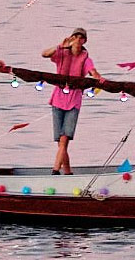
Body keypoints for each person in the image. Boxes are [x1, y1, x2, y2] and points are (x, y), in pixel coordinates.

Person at [42, 28, 102, 175]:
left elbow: (93, 72)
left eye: (81, 38)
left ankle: (55, 171)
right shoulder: (62, 53)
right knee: (61, 143)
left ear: (84, 41)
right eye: (75, 37)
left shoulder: (85, 58)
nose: (77, 40)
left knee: (64, 140)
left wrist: (98, 79)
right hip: (57, 99)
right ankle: (68, 173)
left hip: (74, 101)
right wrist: (60, 46)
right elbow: (44, 54)